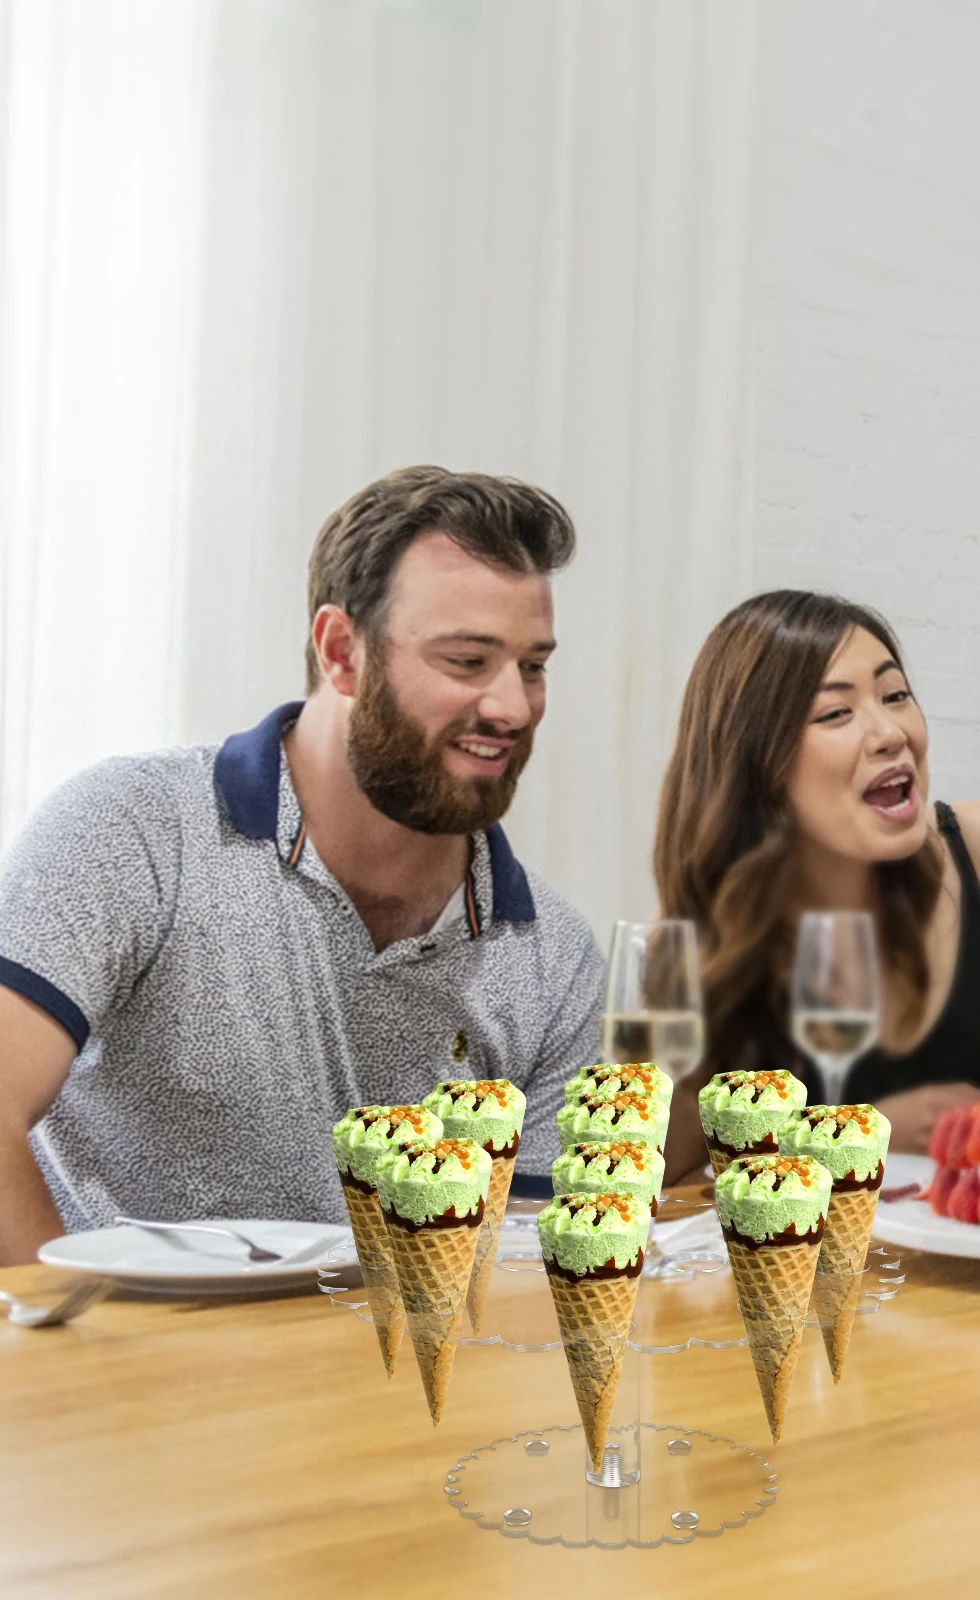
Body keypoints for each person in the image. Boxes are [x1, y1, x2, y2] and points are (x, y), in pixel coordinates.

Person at [0, 467, 605, 1264]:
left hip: (391, 1379)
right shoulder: (136, 829)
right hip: (123, 1369)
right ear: (341, 651)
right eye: (467, 661)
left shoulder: (553, 956)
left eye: (533, 665)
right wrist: (76, 1357)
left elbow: (530, 1266)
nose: (513, 708)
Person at [652, 589, 980, 1182]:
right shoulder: (702, 936)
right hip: (806, 1269)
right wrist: (855, 1137)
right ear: (757, 760)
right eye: (836, 713)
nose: (890, 732)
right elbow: (667, 1182)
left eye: (896, 696)